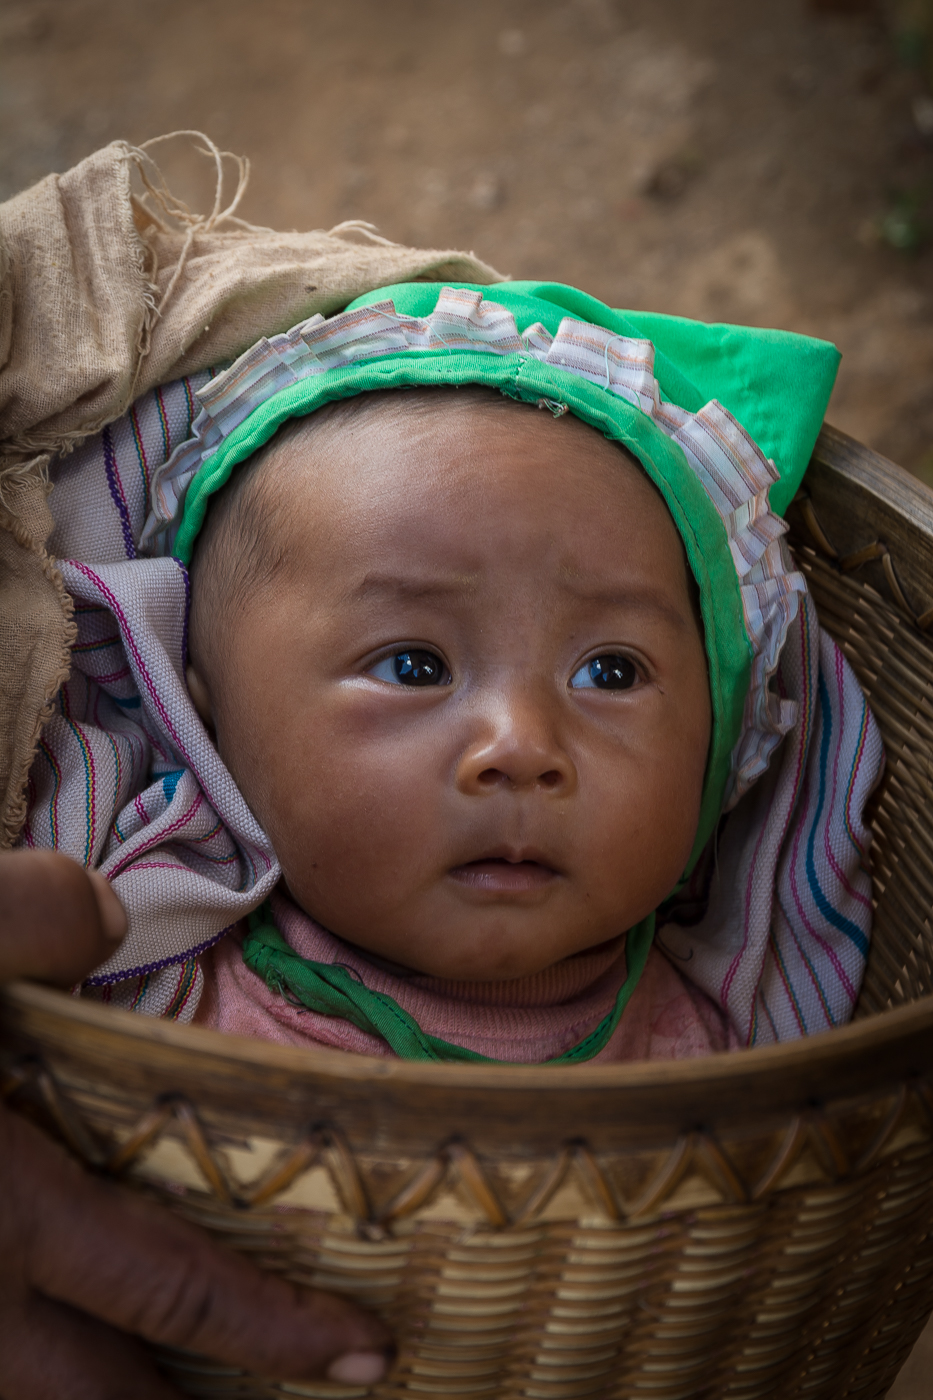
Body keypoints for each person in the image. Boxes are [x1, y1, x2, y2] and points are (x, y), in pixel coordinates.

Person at [2, 281, 884, 1389]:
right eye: (413, 664)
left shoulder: (742, 1084)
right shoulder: (145, 984)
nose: (521, 744)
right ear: (203, 709)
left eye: (610, 670)